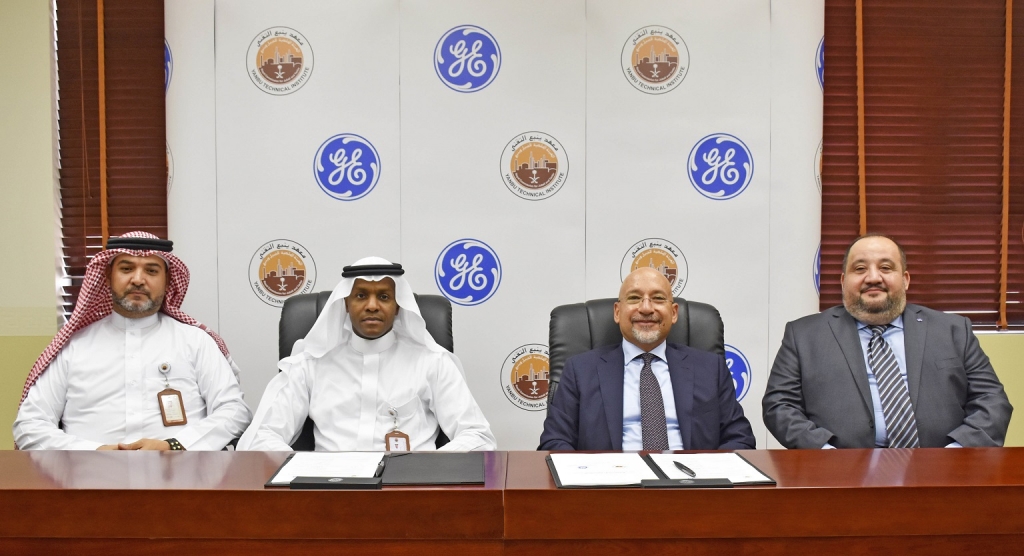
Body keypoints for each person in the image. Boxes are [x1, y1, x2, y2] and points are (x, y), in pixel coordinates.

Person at [763, 234, 1012, 449]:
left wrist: (956, 453)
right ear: (843, 281)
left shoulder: (953, 330)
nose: (873, 277)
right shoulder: (803, 335)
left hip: (942, 470)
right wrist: (825, 454)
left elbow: (991, 400)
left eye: (885, 267)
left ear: (905, 279)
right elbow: (780, 405)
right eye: (860, 269)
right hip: (840, 472)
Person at [14, 231, 252, 450]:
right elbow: (29, 425)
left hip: (181, 475)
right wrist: (93, 452)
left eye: (151, 271)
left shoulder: (196, 342)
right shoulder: (74, 346)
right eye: (126, 268)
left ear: (167, 280)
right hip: (89, 477)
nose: (138, 279)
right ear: (108, 276)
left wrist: (174, 446)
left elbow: (234, 412)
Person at [239, 257, 496, 451]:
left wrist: (425, 470)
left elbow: (478, 437)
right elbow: (263, 437)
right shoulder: (311, 363)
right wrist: (308, 471)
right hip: (329, 491)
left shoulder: (432, 362)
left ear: (398, 306)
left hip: (408, 492)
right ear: (346, 303)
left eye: (383, 296)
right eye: (361, 295)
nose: (372, 306)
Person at [538, 267, 755, 451]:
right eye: (634, 298)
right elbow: (555, 442)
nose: (646, 308)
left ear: (674, 312)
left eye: (658, 298)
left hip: (691, 482)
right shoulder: (580, 370)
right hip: (612, 483)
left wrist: (710, 477)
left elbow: (740, 438)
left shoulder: (710, 368)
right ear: (617, 312)